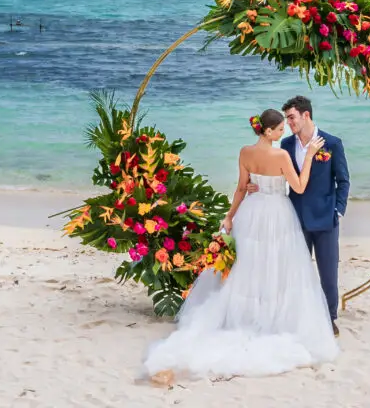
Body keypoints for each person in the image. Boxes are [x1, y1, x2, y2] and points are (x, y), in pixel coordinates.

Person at [142, 108, 340, 380]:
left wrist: (230, 215)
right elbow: (300, 187)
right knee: (275, 265)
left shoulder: (245, 152)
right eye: (280, 129)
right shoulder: (282, 155)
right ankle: (270, 318)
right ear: (268, 131)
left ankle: (245, 315)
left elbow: (240, 187)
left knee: (249, 266)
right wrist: (307, 158)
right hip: (277, 214)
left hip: (251, 211)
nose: (284, 132)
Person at [265, 95, 351, 335]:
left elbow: (343, 181)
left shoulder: (332, 143)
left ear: (306, 115)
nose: (289, 123)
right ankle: (297, 316)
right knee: (296, 271)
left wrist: (338, 210)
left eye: (291, 117)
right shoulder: (286, 146)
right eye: (287, 119)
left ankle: (330, 318)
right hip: (296, 217)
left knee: (328, 273)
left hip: (326, 218)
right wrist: (256, 185)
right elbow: (278, 175)